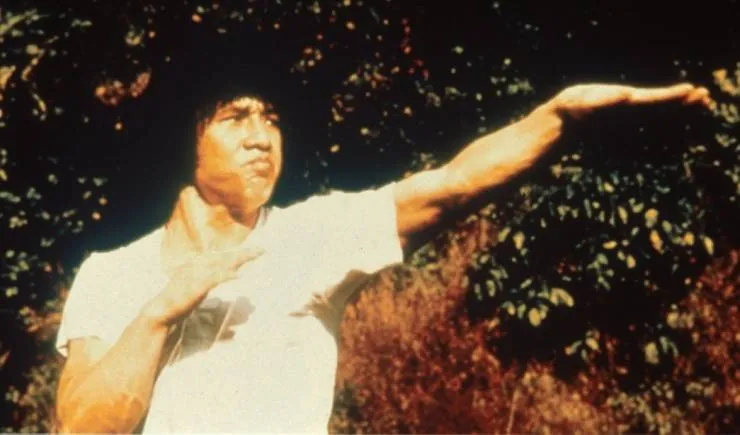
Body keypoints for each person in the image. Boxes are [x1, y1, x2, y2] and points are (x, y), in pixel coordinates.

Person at [54, 82, 710, 433]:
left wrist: (560, 119)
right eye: (235, 117)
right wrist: (159, 313)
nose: (262, 138)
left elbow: (453, 185)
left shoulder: (309, 236)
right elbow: (83, 429)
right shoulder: (112, 273)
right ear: (184, 142)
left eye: (272, 119)